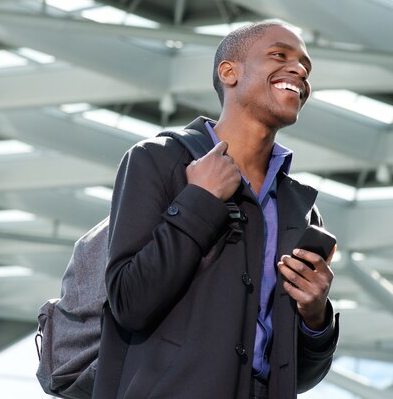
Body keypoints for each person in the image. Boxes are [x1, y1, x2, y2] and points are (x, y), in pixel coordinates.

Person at [93, 21, 339, 399]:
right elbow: (129, 303)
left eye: (305, 66)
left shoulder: (300, 209)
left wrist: (316, 315)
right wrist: (200, 201)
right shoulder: (157, 161)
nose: (300, 71)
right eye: (280, 55)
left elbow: (297, 377)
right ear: (229, 72)